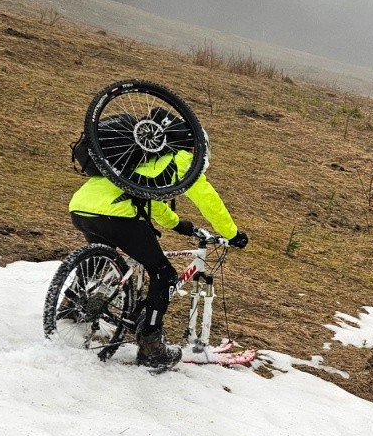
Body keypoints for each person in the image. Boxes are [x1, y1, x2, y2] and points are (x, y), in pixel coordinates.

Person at [68, 144, 247, 368]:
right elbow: (208, 200)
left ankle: (71, 304)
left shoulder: (144, 158)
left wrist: (180, 225)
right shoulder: (184, 161)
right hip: (115, 213)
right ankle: (151, 346)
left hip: (81, 207)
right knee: (164, 275)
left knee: (99, 256)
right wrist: (232, 234)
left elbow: (149, 199)